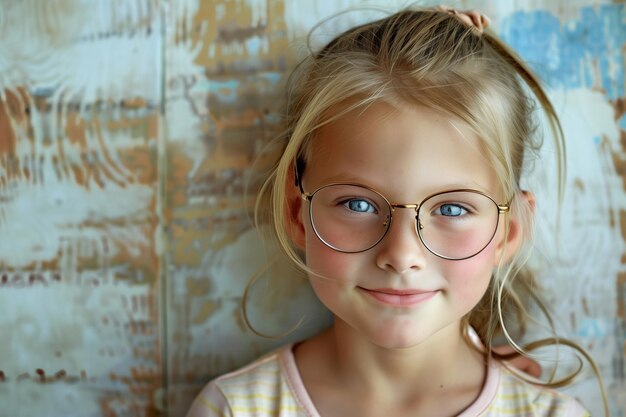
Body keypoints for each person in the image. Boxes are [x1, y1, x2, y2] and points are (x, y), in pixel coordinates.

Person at [186, 6, 606, 417]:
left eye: (453, 208)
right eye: (358, 204)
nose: (402, 254)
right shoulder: (234, 409)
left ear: (508, 232)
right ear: (298, 214)